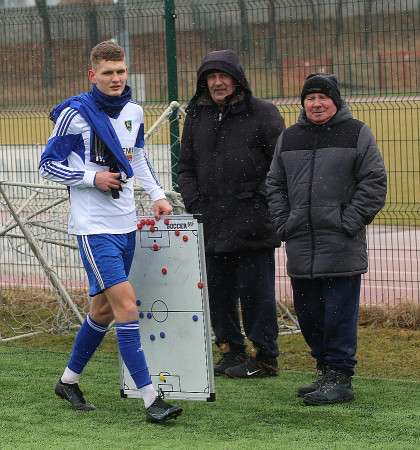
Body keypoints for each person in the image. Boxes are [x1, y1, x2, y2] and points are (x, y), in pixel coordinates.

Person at [39, 41, 183, 423]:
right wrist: (93, 178)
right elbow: (47, 165)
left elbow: (138, 158)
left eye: (121, 71)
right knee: (126, 306)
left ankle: (68, 381)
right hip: (93, 230)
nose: (116, 79)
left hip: (126, 226)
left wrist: (157, 194)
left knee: (102, 310)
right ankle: (152, 400)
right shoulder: (74, 113)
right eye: (108, 73)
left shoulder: (134, 111)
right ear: (93, 75)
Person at [266, 73, 387, 405]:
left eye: (323, 97)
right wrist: (284, 222)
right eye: (310, 98)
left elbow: (374, 183)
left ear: (336, 101)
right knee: (309, 315)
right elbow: (274, 184)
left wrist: (347, 222)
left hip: (341, 245)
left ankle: (340, 377)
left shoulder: (357, 133)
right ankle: (325, 370)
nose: (316, 104)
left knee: (339, 315)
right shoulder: (289, 137)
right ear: (303, 102)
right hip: (300, 244)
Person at [177, 50, 286, 378]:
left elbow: (280, 165)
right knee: (218, 292)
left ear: (237, 79)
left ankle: (264, 357)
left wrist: (260, 201)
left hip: (253, 222)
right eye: (210, 77)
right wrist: (195, 204)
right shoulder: (196, 115)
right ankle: (231, 352)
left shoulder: (263, 112)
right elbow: (185, 167)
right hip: (211, 221)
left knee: (256, 293)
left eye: (223, 76)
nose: (217, 82)